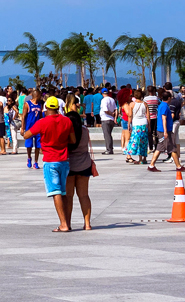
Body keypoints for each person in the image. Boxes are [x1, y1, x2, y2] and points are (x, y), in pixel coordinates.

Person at [23, 96, 75, 232]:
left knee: (55, 192)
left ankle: (63, 224)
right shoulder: (67, 120)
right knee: (64, 193)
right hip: (64, 160)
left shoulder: (42, 122)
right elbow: (73, 140)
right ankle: (67, 222)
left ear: (46, 108)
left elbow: (26, 135)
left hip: (50, 160)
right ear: (57, 108)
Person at [64, 94, 94, 230]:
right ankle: (87, 223)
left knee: (68, 196)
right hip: (84, 164)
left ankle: (68, 223)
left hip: (69, 165)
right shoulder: (85, 130)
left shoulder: (66, 132)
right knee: (84, 195)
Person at [147, 89, 185, 173]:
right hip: (165, 131)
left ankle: (151, 165)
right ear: (168, 98)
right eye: (170, 97)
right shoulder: (164, 106)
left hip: (163, 130)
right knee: (171, 148)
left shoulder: (162, 105)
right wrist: (165, 132)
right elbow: (164, 118)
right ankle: (178, 167)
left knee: (161, 148)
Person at [22, 89, 44, 169]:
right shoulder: (27, 104)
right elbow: (23, 117)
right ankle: (29, 157)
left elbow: (41, 116)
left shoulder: (39, 104)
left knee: (38, 145)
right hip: (29, 127)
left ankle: (36, 161)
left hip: (38, 127)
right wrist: (22, 127)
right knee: (29, 145)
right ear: (36, 95)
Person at [99, 88, 118, 155]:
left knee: (107, 135)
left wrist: (111, 114)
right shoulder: (112, 99)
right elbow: (116, 109)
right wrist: (115, 117)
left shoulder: (104, 100)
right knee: (109, 134)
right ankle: (110, 148)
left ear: (102, 93)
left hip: (105, 119)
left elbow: (105, 110)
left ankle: (109, 149)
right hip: (111, 119)